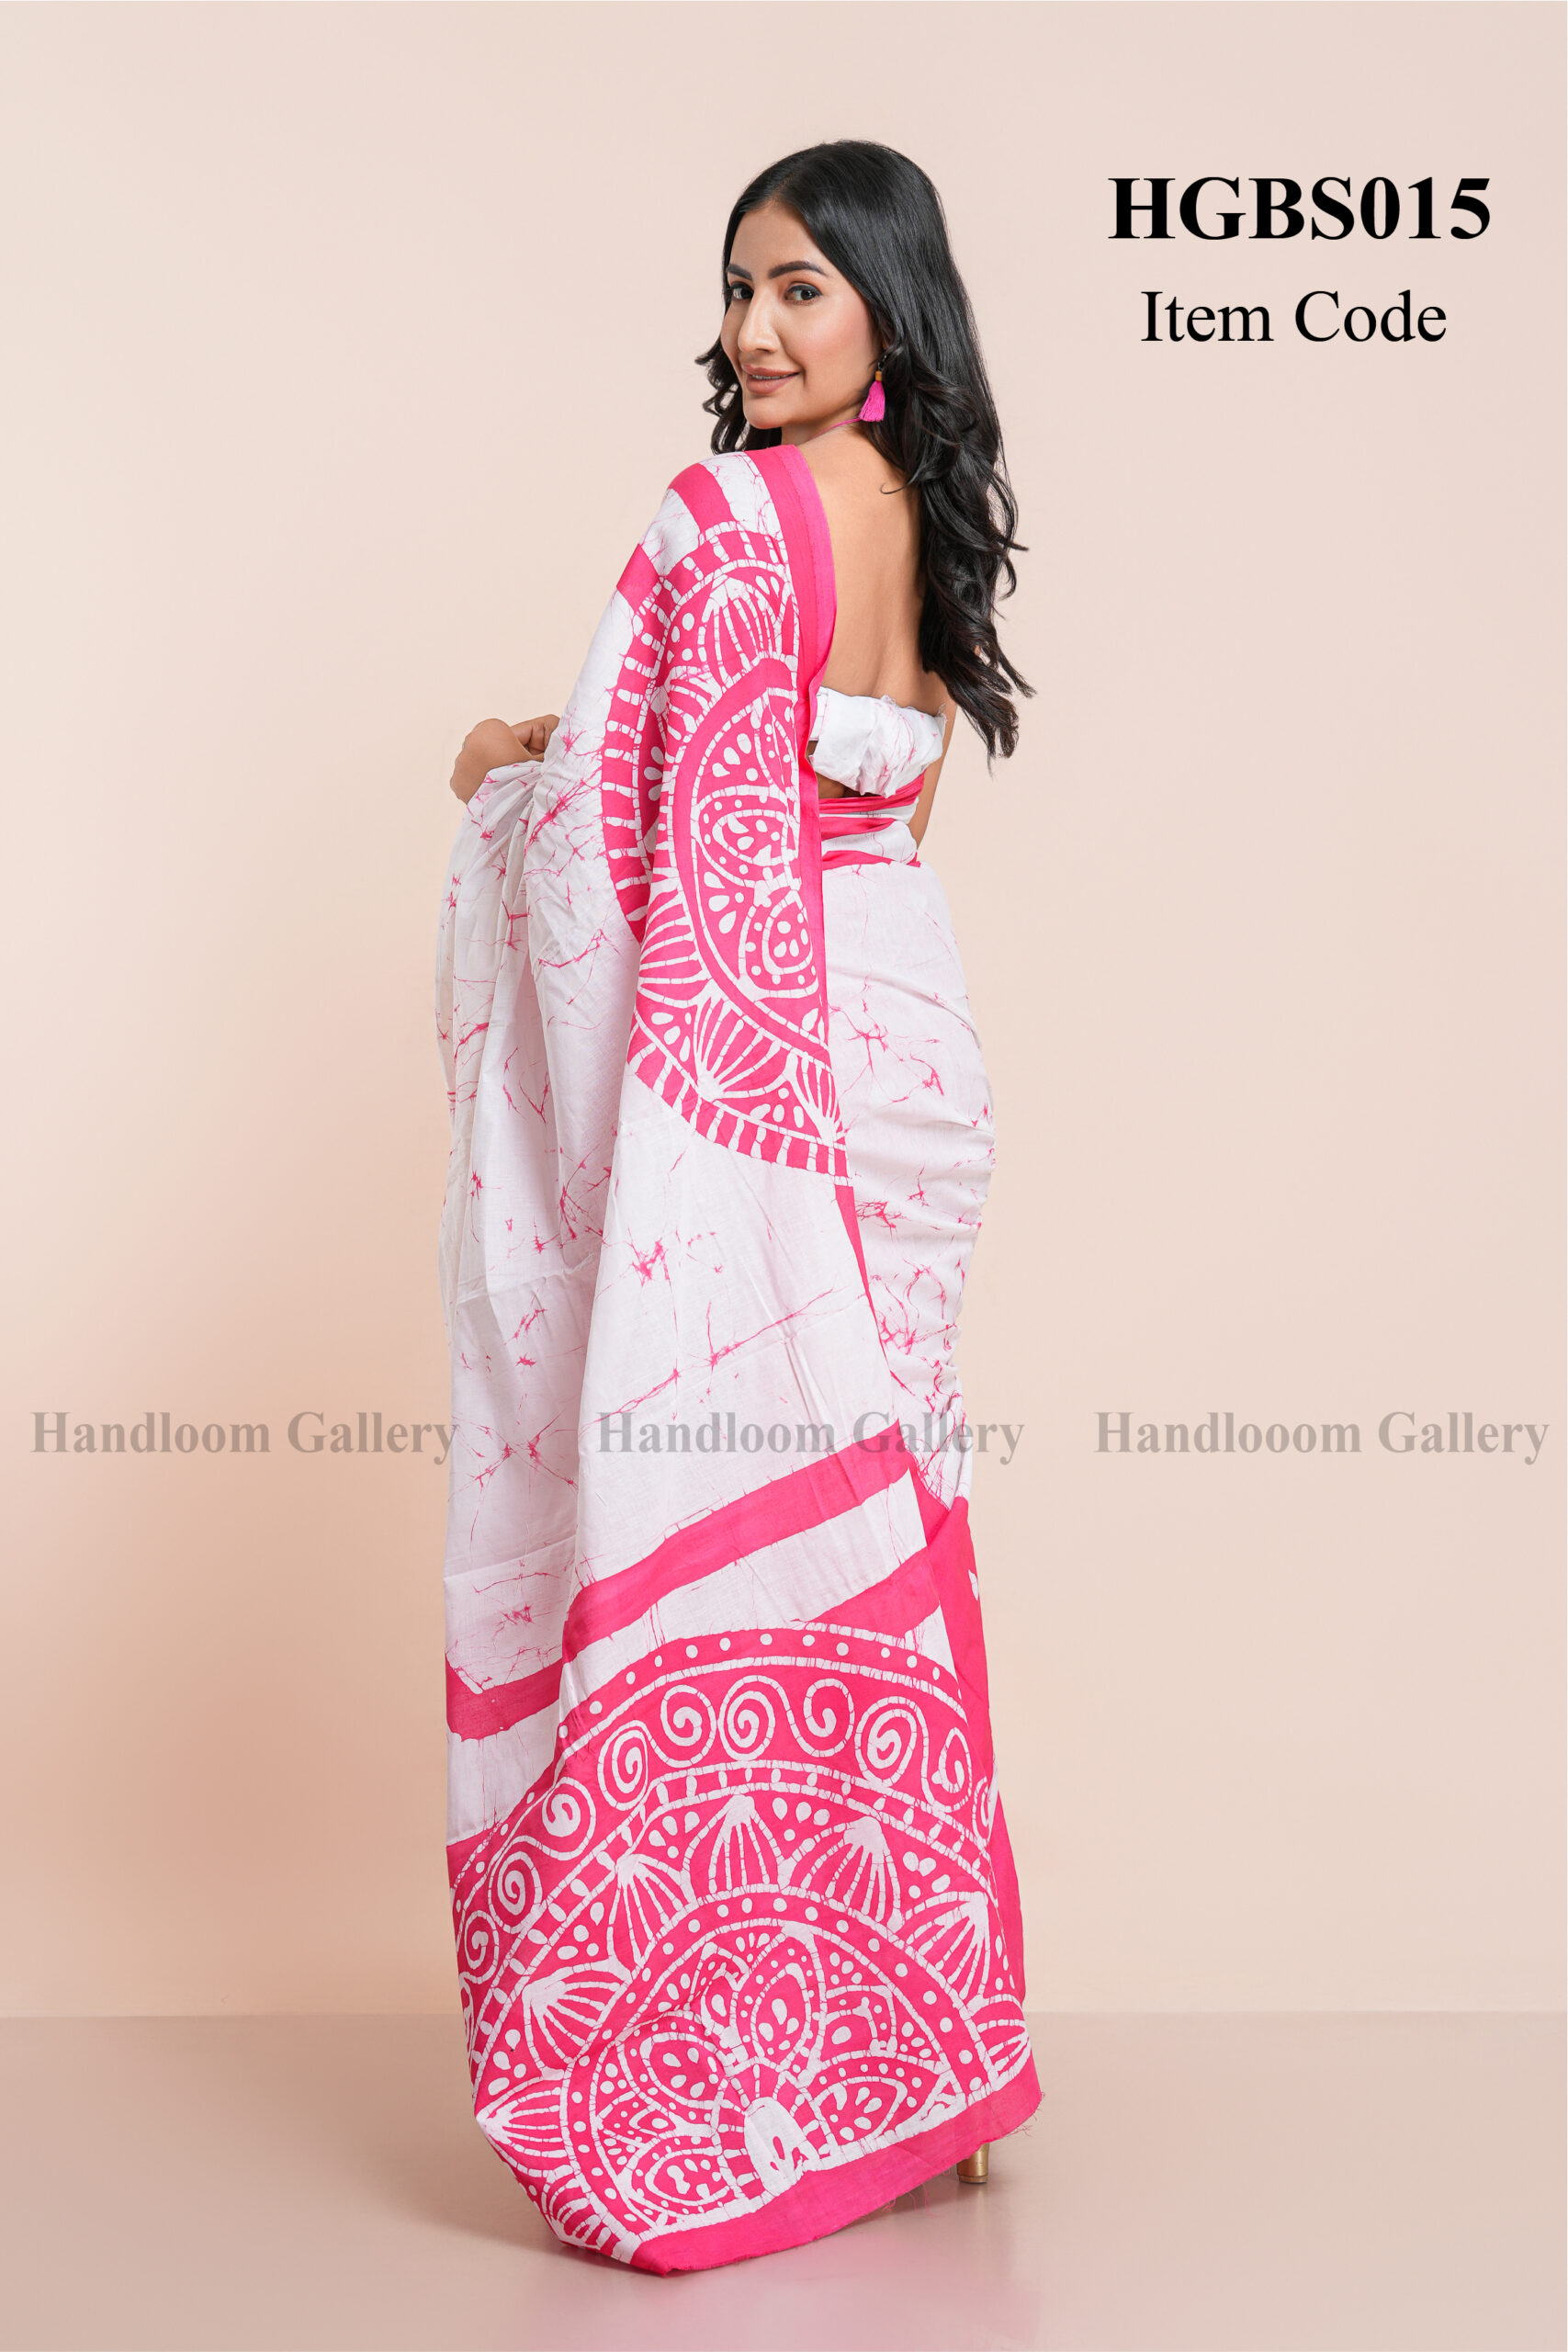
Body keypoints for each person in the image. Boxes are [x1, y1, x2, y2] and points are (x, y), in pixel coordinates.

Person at [435, 139, 1038, 2274]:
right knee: (884, 1510)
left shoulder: (722, 518)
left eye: (798, 288)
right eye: (737, 288)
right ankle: (931, 2067)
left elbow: (633, 845)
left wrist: (503, 767)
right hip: (906, 1035)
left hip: (774, 1074)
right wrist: (585, 748)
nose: (756, 328)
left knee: (748, 1492)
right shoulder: (915, 516)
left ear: (883, 308)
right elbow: (856, 790)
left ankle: (757, 2060)